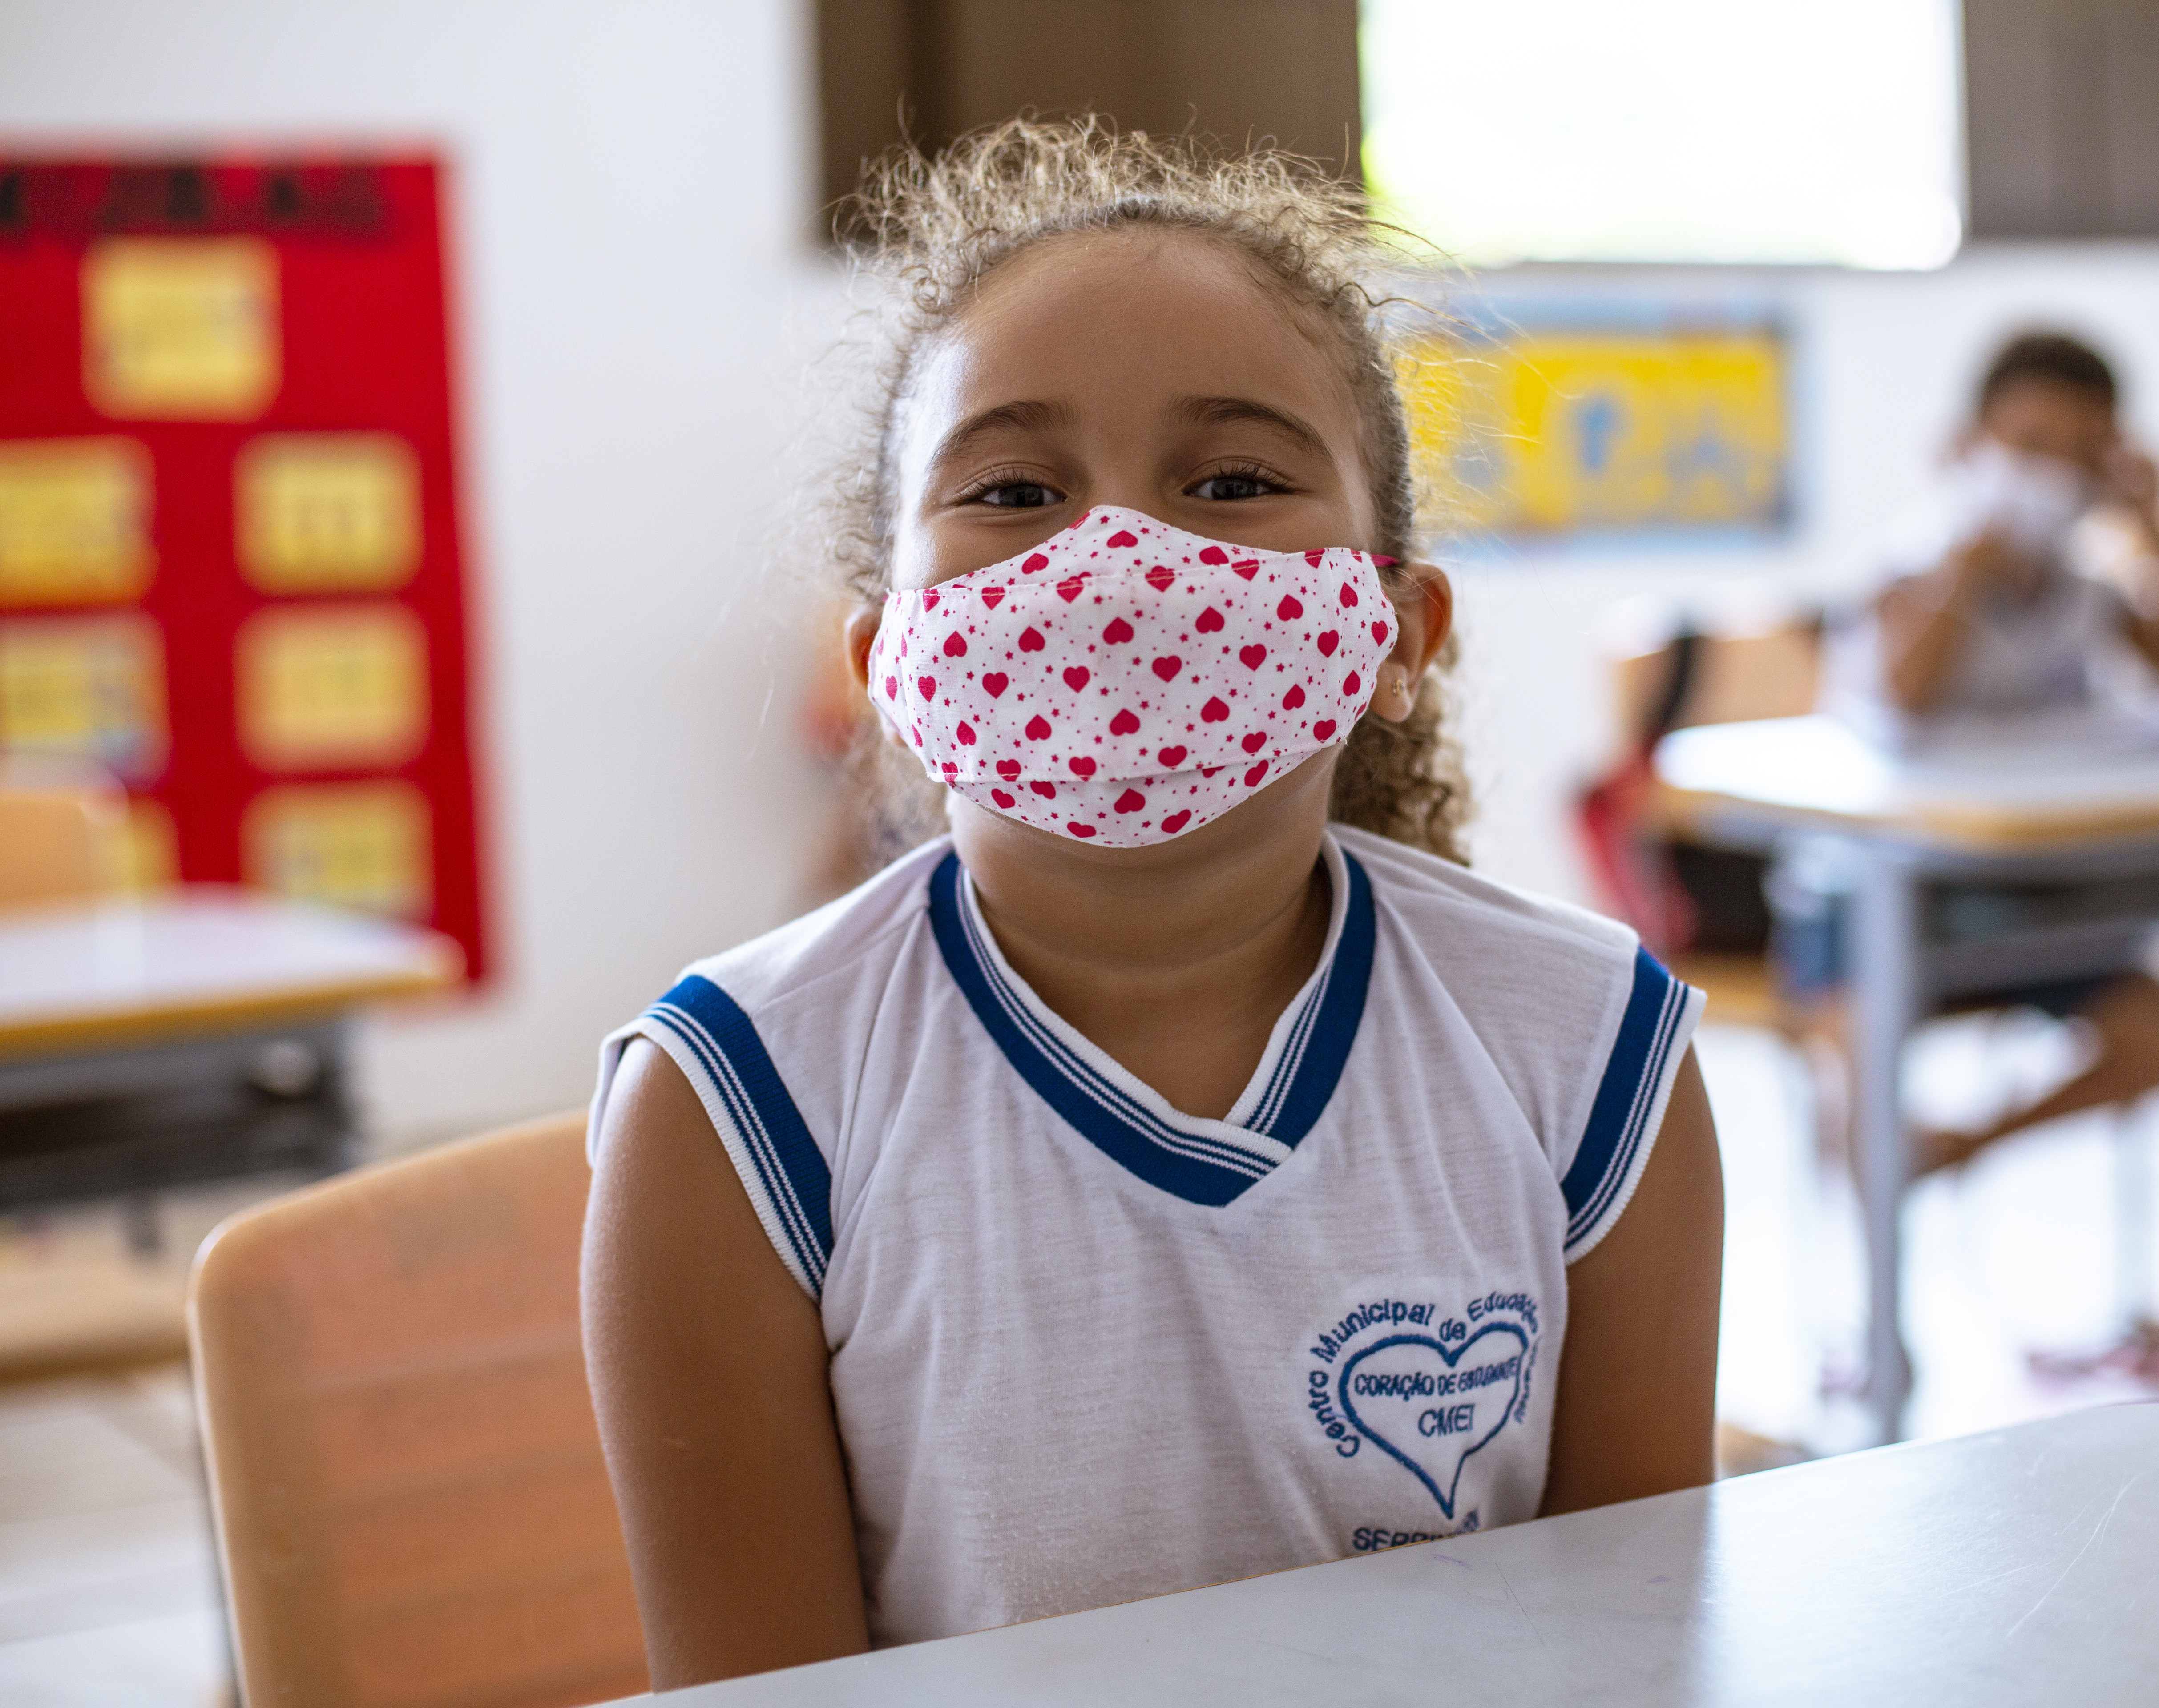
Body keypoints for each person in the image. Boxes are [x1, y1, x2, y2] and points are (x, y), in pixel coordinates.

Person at [580, 120, 1724, 1690]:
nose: (1121, 559)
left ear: (1396, 630)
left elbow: (1626, 1652)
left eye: (1236, 478)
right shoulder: (732, 1112)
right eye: (1012, 488)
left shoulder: (1594, 1055)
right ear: (887, 666)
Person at [1791, 331, 2159, 1175]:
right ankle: (1878, 1256)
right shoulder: (1910, 564)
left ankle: (1963, 1149)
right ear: (1967, 450)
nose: (2052, 476)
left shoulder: (2085, 585)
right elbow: (1903, 696)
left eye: (2081, 455)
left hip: (2030, 900)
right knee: (1860, 1070)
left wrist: (2154, 526)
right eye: (2030, 448)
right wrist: (1967, 568)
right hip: (1878, 896)